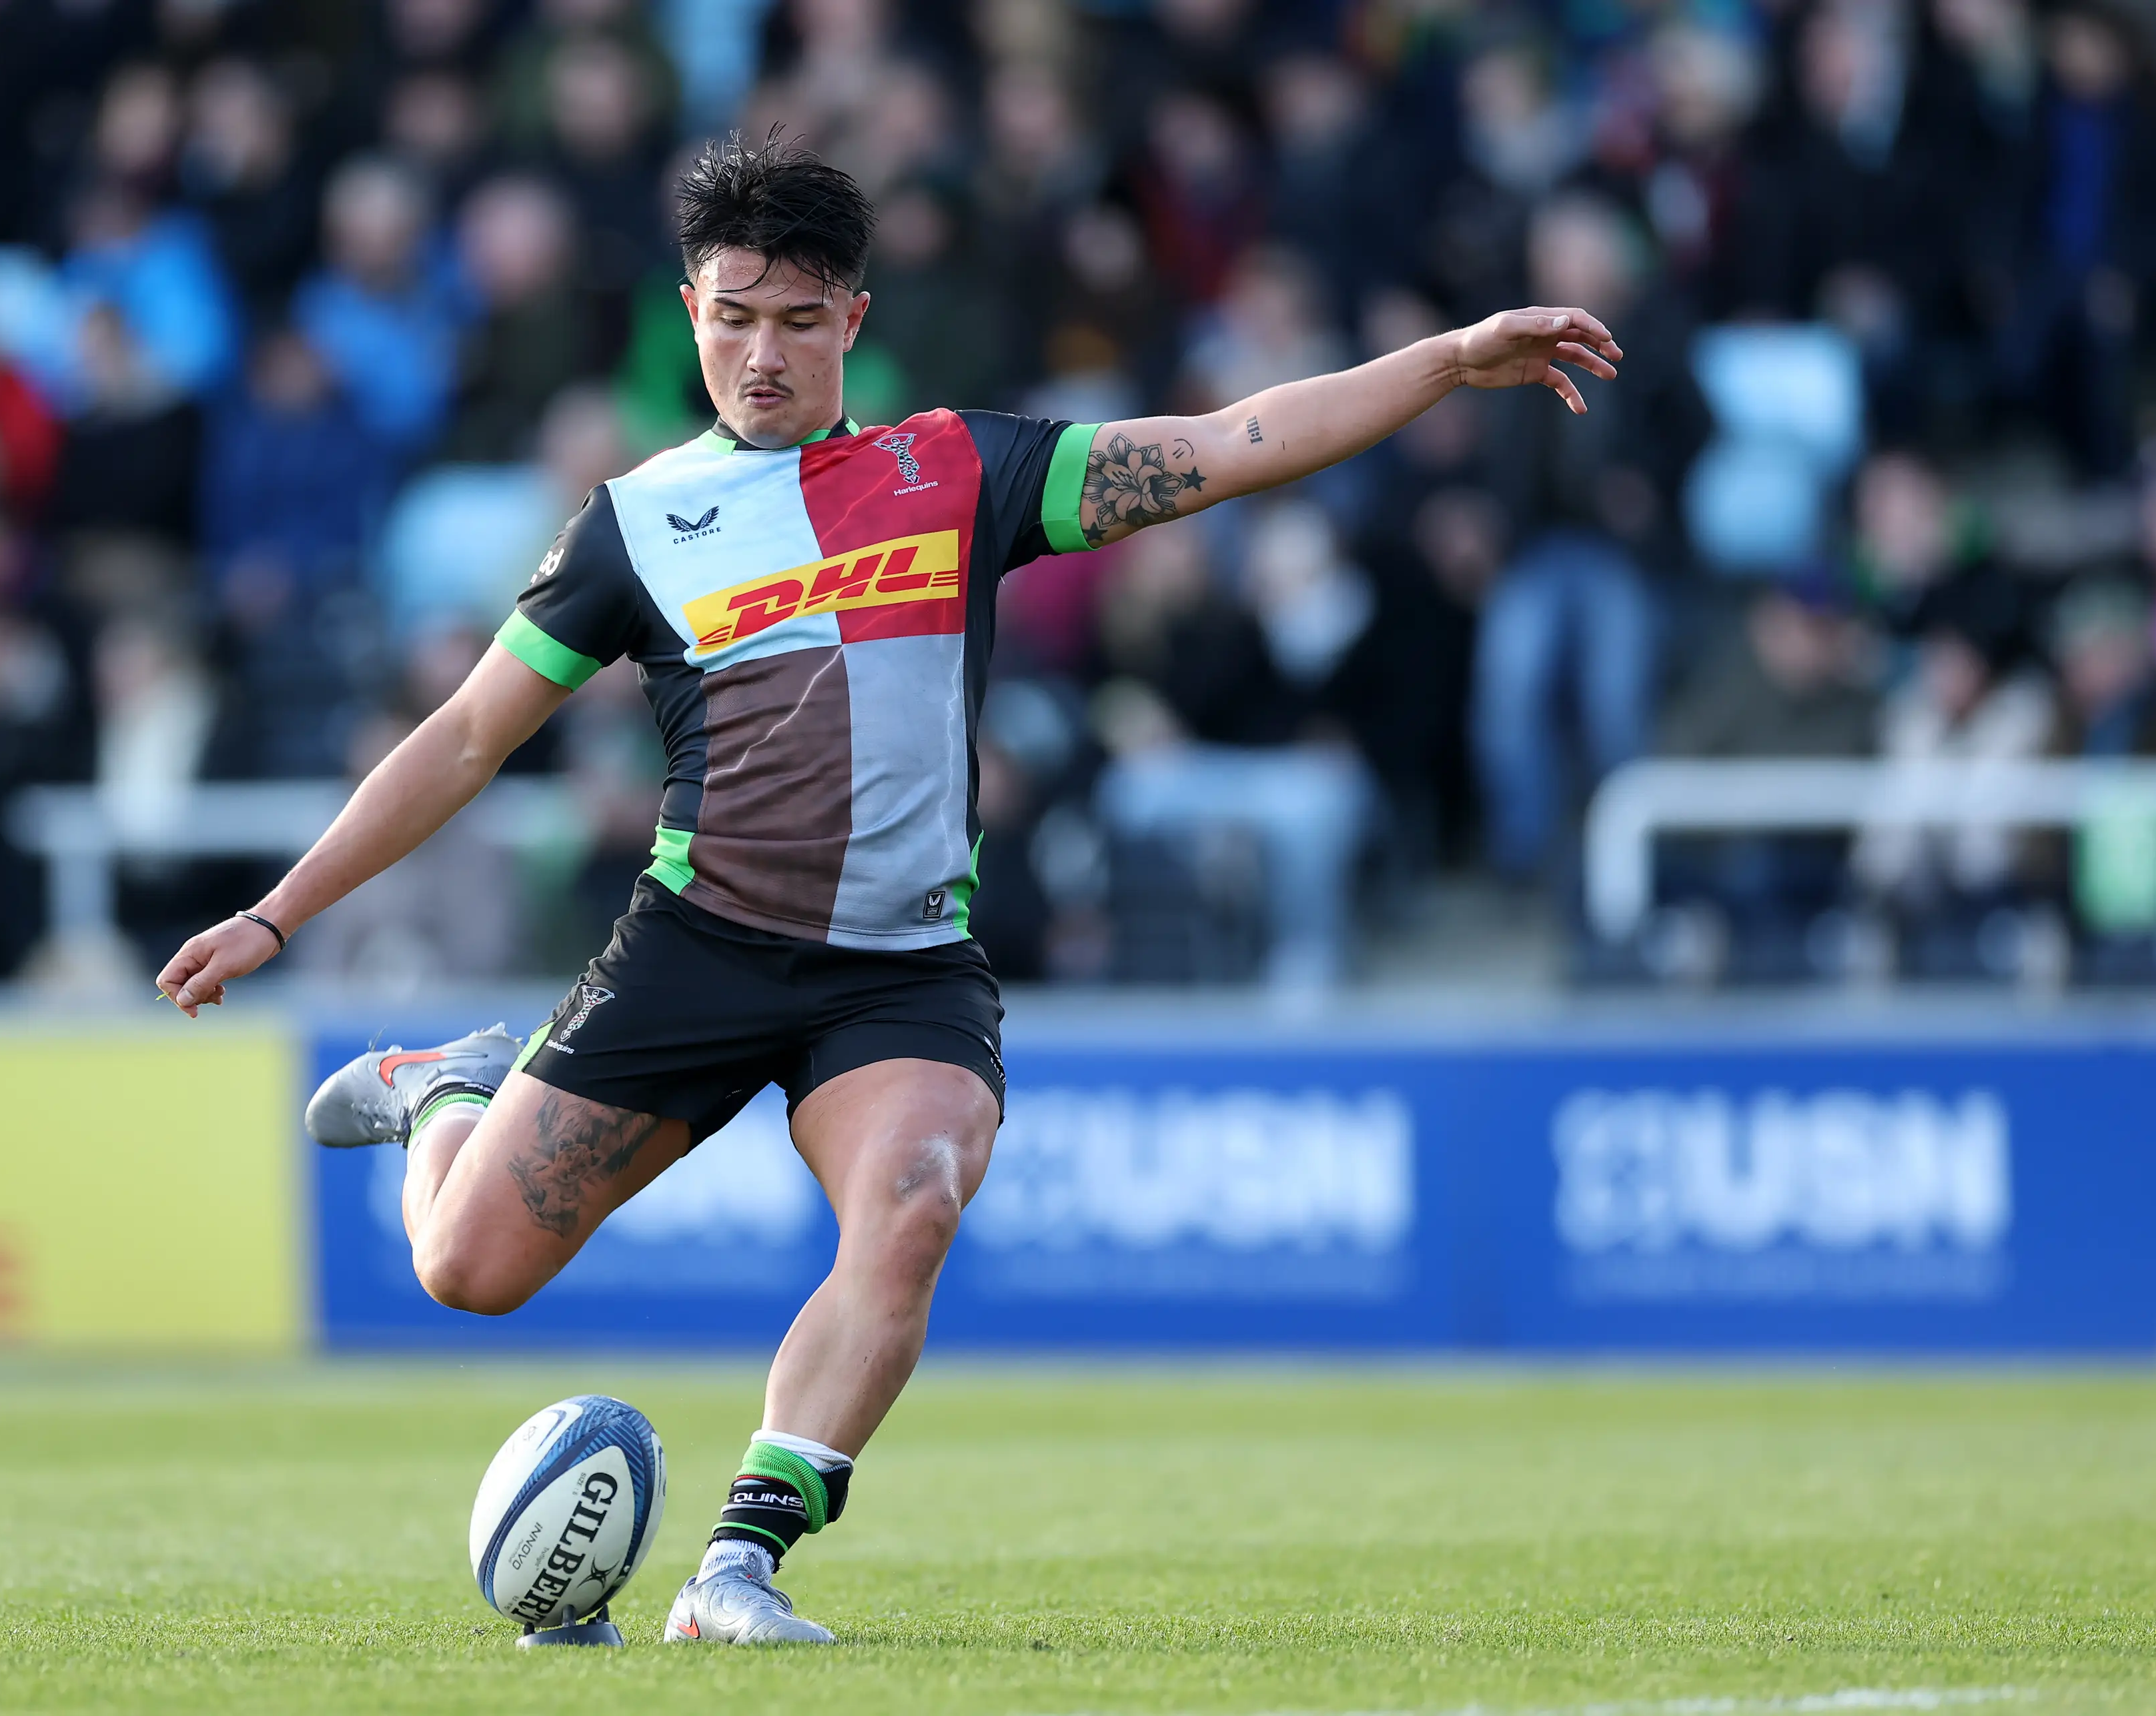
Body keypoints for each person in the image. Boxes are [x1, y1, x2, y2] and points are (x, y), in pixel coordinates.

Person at [153, 135, 1620, 1645]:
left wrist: (1448, 360)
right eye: (734, 319)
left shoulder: (959, 469)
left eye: (800, 321)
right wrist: (277, 912)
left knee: (913, 1200)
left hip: (899, 971)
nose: (763, 354)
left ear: (853, 318)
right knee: (465, 1271)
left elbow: (1234, 439)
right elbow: (467, 736)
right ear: (689, 313)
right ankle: (446, 1092)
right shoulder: (635, 525)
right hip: (700, 943)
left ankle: (738, 1567)